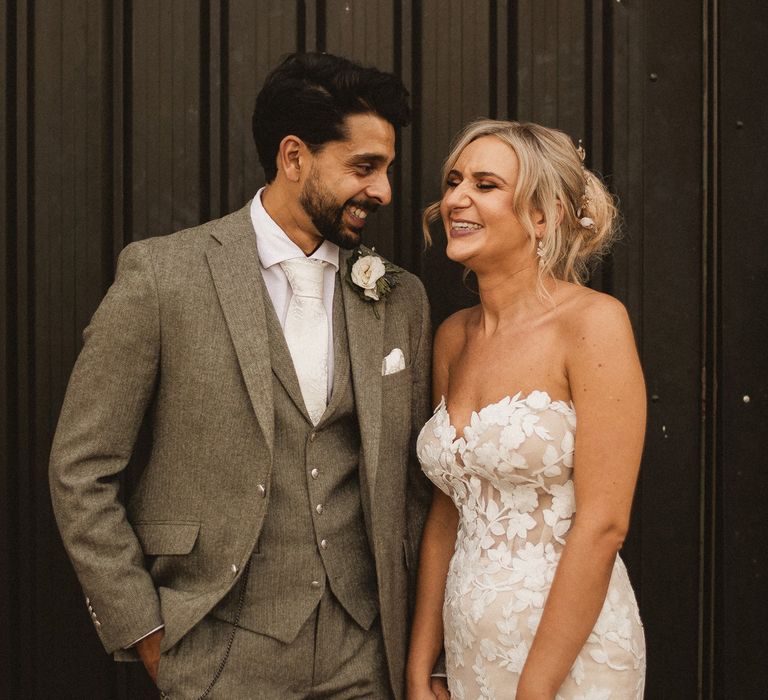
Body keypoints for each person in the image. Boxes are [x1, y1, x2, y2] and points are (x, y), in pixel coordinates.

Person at [49, 52, 435, 699]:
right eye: (365, 167)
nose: (385, 191)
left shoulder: (401, 298)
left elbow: (416, 486)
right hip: (219, 654)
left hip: (366, 656)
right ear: (293, 158)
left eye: (387, 168)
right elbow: (80, 468)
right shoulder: (162, 276)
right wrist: (146, 629)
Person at [406, 119, 646, 699]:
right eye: (454, 180)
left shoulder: (593, 324)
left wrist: (534, 691)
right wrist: (421, 662)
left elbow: (604, 524)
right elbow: (448, 512)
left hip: (568, 660)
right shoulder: (452, 337)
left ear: (543, 216)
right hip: (468, 652)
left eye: (485, 185)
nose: (455, 199)